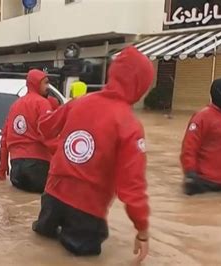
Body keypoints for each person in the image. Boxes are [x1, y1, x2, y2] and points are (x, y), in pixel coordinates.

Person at [32, 46, 154, 263]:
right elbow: (132, 187)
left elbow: (45, 127)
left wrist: (60, 147)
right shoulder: (130, 125)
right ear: (141, 84)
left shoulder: (79, 102)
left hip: (51, 198)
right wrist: (142, 230)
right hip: (86, 210)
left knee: (41, 248)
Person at [0, 69, 57, 193]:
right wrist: (64, 158)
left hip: (16, 168)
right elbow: (47, 134)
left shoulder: (15, 105)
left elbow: (4, 138)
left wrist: (3, 166)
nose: (48, 87)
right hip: (38, 166)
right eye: (45, 83)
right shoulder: (42, 103)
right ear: (36, 84)